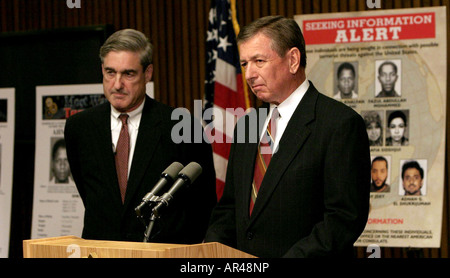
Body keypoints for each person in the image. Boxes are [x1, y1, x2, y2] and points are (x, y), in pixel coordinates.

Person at [204, 16, 371, 258]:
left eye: (259, 61)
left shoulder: (339, 124)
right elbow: (229, 208)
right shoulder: (247, 125)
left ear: (293, 60)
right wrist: (213, 253)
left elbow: (343, 219)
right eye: (244, 63)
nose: (249, 74)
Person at [64, 29, 216, 243]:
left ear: (148, 73)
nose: (117, 84)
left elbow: (203, 204)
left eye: (128, 74)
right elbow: (89, 193)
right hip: (100, 251)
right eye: (110, 72)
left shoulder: (181, 125)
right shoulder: (79, 127)